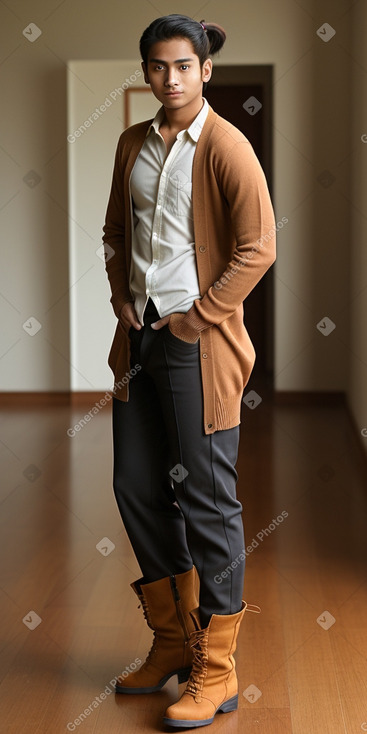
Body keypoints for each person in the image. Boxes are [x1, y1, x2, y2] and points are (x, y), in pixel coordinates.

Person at [102, 13, 276, 729]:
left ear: (205, 71)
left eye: (182, 65)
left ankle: (218, 667)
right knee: (136, 484)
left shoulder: (226, 146)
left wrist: (196, 317)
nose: (168, 78)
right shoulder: (129, 144)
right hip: (140, 336)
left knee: (206, 500)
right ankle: (172, 641)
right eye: (155, 66)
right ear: (144, 72)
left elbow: (256, 248)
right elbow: (117, 232)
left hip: (197, 345)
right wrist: (120, 295)